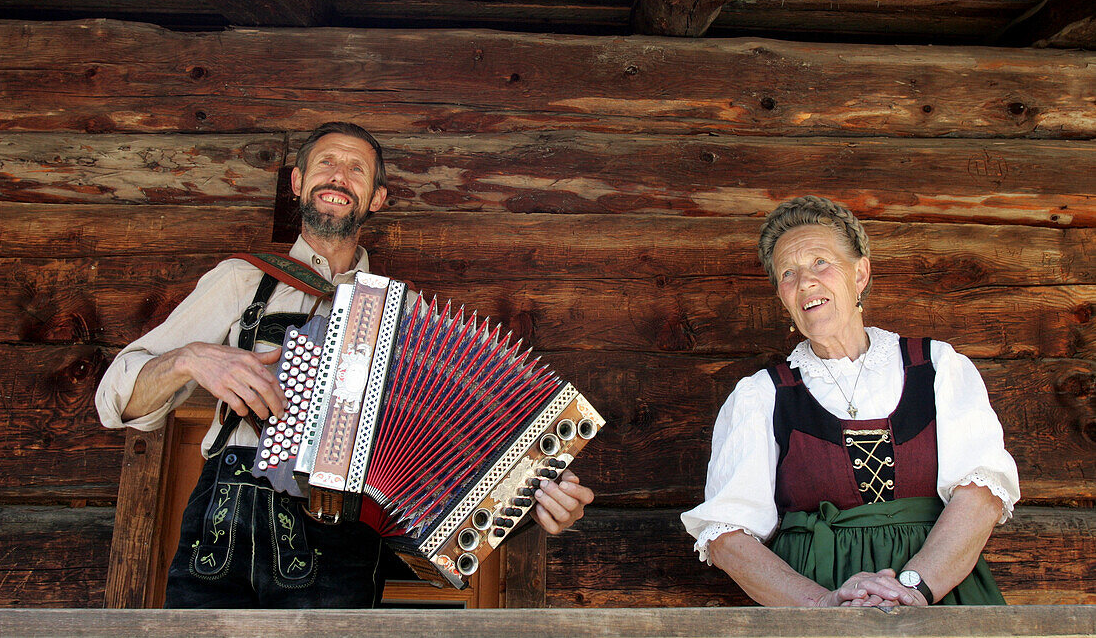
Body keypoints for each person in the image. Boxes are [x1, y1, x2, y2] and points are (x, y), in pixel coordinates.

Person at [96, 122, 594, 608]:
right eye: (326, 162)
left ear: (376, 197)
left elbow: (463, 456)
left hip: (346, 538)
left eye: (356, 169)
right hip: (231, 516)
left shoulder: (410, 320)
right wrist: (192, 358)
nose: (338, 176)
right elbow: (114, 399)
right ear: (298, 182)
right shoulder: (242, 282)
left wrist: (535, 499)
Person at [681, 196, 1019, 607]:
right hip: (813, 611)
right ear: (783, 297)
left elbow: (981, 495)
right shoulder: (762, 396)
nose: (805, 281)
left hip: (942, 597)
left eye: (820, 262)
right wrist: (824, 606)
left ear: (859, 273)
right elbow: (727, 537)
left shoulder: (936, 367)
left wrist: (913, 586)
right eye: (788, 273)